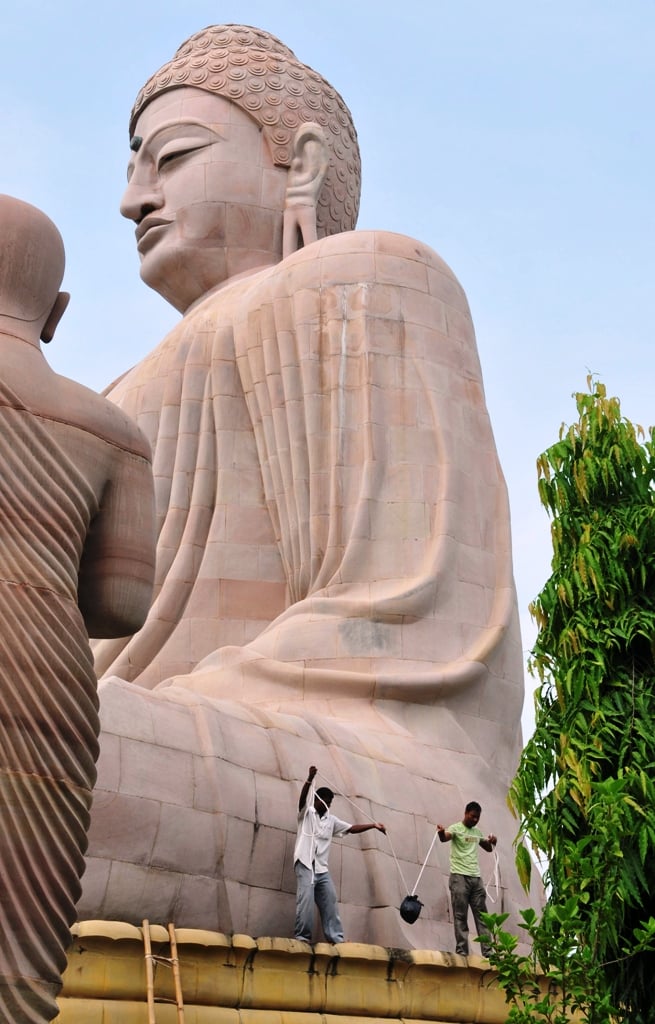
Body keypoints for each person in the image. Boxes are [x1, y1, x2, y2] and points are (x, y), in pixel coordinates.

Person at [79, 24, 536, 949]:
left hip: (374, 768)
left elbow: (410, 642)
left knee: (46, 763)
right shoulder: (104, 399)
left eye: (171, 158)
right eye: (135, 169)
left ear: (300, 165)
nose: (134, 199)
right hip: (132, 730)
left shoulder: (374, 280)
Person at [0, 195, 155, 1022]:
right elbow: (122, 604)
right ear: (56, 313)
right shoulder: (112, 430)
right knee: (20, 956)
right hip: (47, 688)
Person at [294, 767, 386, 944]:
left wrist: (374, 826)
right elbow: (302, 798)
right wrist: (310, 778)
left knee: (330, 900)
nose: (328, 806)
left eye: (330, 803)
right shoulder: (307, 813)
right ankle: (302, 937)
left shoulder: (331, 820)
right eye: (326, 802)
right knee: (305, 900)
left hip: (321, 868)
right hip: (305, 863)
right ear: (317, 799)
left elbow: (351, 828)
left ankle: (336, 938)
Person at [437, 802, 497, 957]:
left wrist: (493, 841)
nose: (475, 820)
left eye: (477, 817)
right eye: (472, 816)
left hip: (476, 878)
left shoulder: (477, 832)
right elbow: (444, 838)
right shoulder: (456, 828)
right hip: (459, 877)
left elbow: (489, 848)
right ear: (466, 813)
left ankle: (488, 951)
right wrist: (441, 832)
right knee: (460, 915)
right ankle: (462, 951)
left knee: (482, 916)